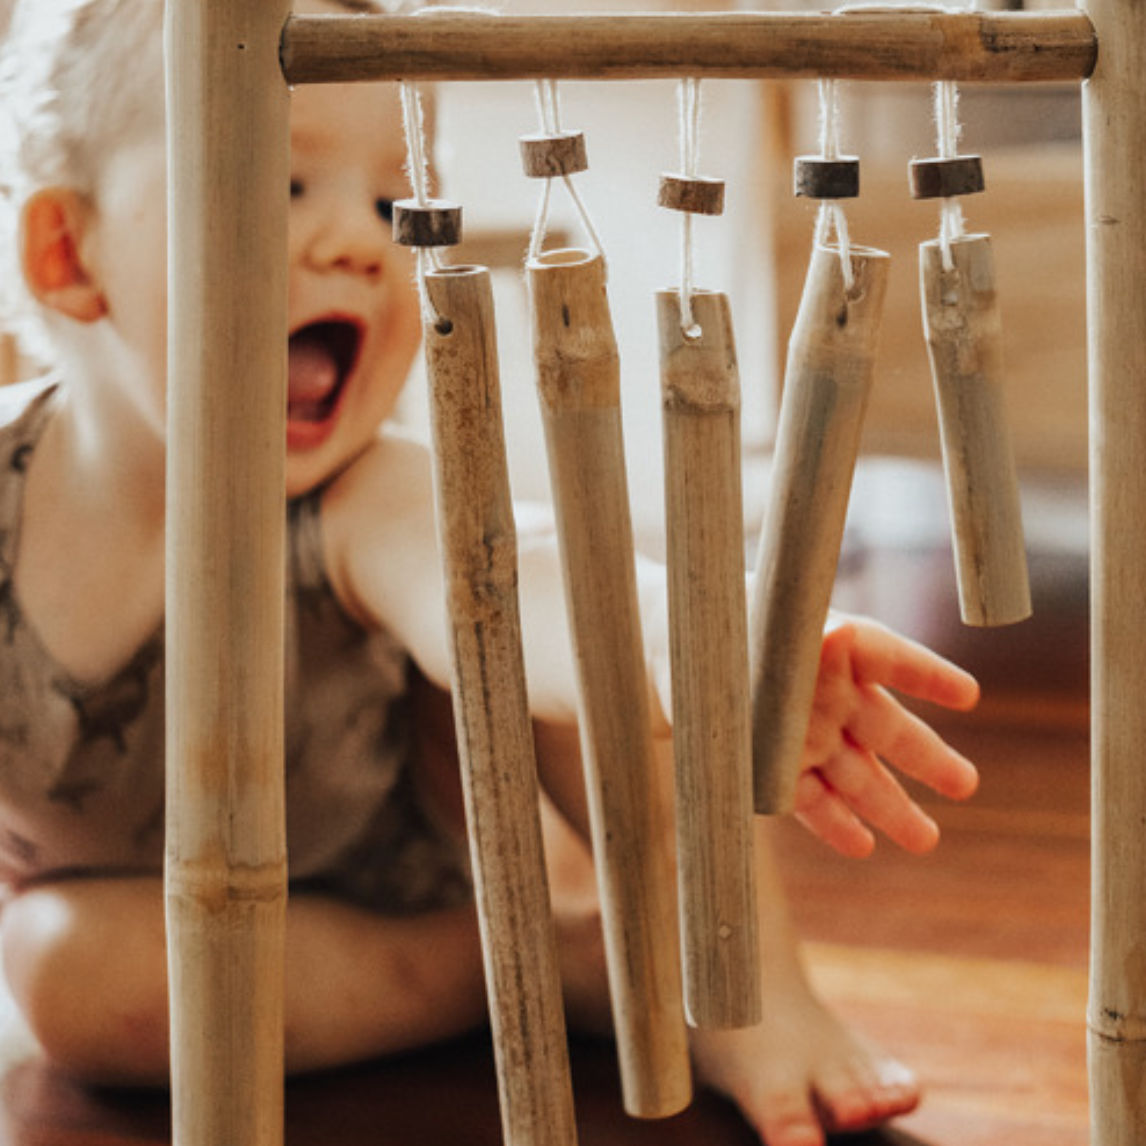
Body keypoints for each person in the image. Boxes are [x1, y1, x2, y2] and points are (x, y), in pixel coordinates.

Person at [0, 1, 981, 1143]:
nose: (362, 245)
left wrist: (694, 644)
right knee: (65, 981)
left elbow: (524, 597)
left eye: (394, 203)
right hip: (198, 927)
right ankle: (551, 961)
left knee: (570, 613)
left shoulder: (365, 495)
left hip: (412, 867)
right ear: (71, 255)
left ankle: (736, 991)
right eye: (281, 186)